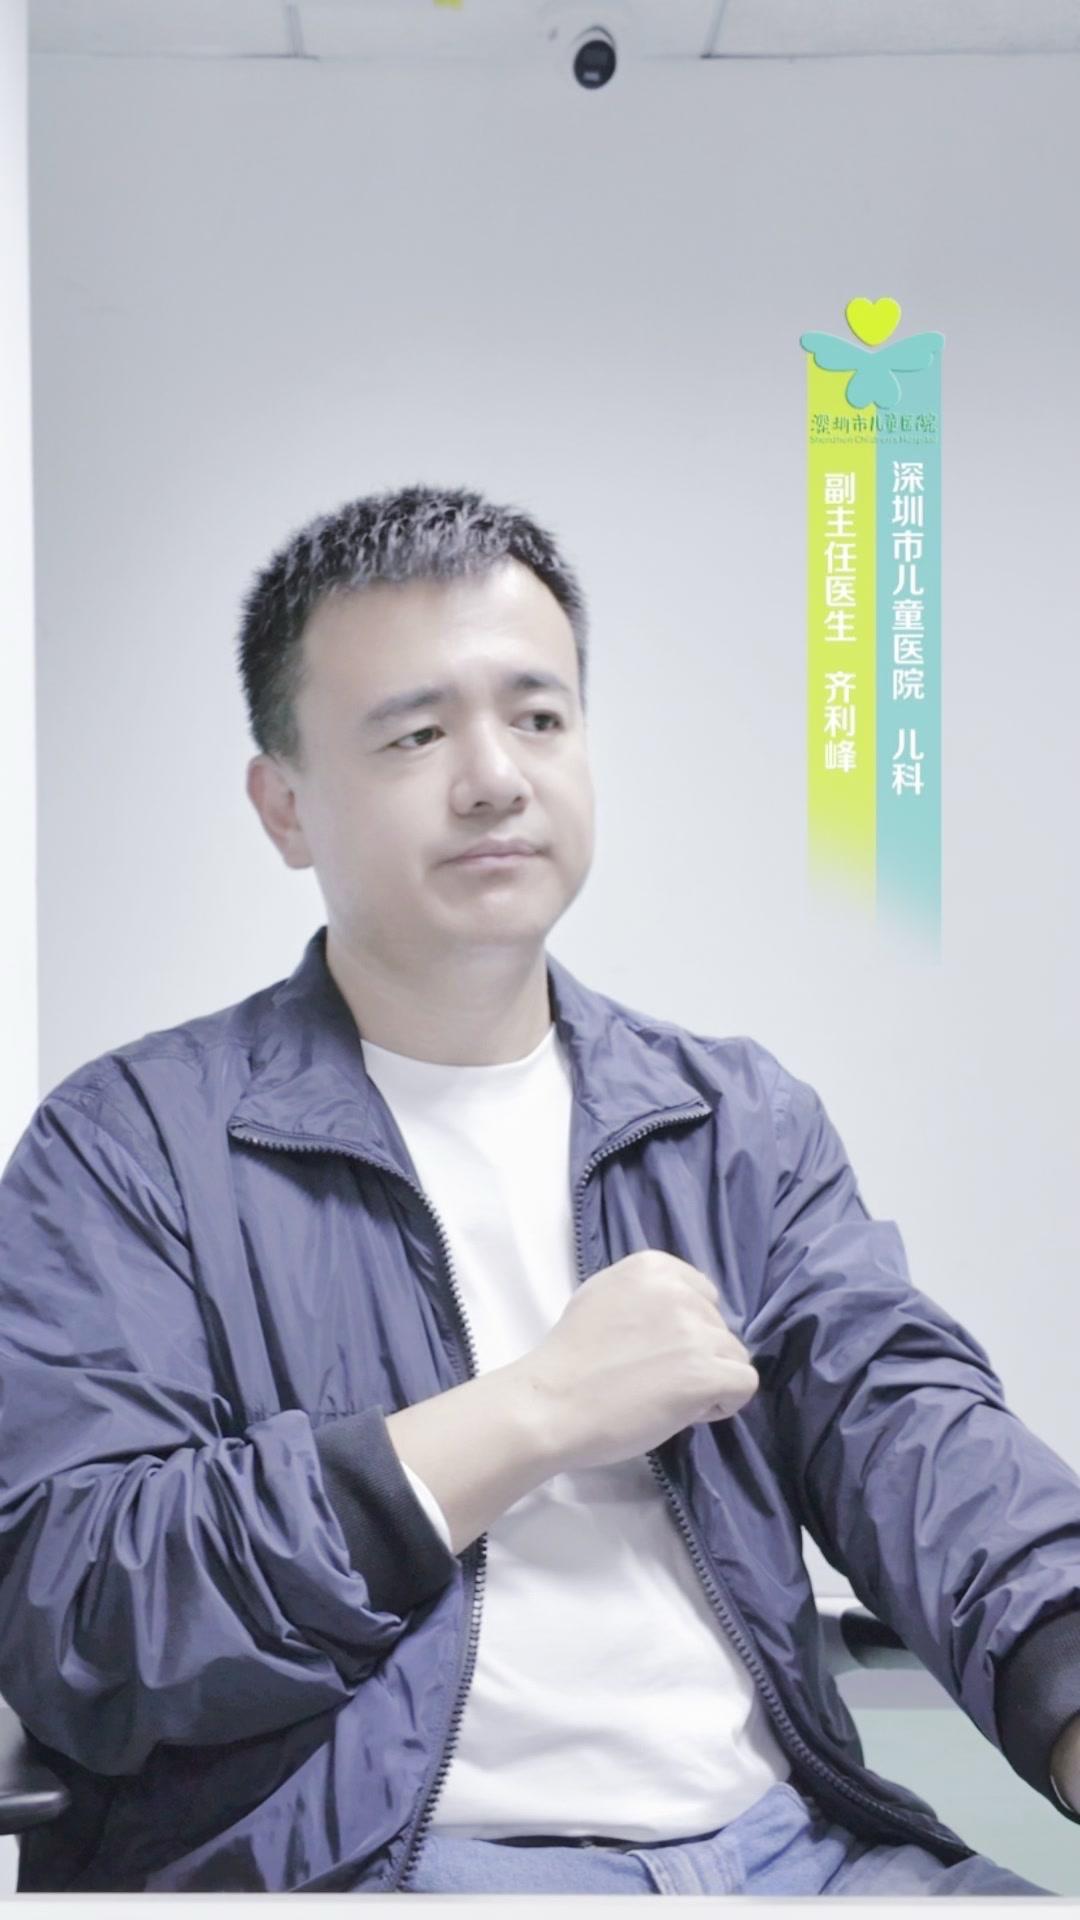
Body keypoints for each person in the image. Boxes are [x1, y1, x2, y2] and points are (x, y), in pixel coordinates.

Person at [0, 481, 1077, 1895]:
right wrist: (533, 1412)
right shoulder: (129, 1146)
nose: (495, 777)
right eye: (417, 733)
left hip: (796, 1851)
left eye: (540, 717)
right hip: (393, 1866)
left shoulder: (730, 1121)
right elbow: (83, 1605)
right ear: (286, 807)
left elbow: (914, 1434)